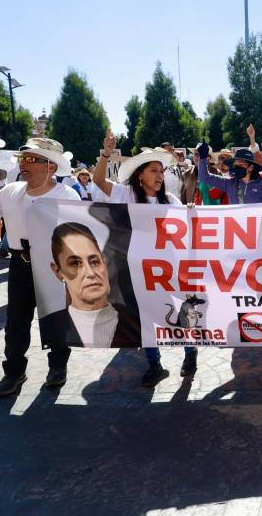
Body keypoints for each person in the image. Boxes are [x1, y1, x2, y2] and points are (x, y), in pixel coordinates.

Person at [0, 138, 81, 397]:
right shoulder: (10, 191)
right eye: (22, 159)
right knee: (16, 322)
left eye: (30, 159)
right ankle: (13, 372)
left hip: (52, 266)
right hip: (20, 264)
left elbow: (77, 236)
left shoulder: (66, 195)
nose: (23, 164)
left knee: (56, 319)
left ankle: (58, 366)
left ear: (50, 166)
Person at [95, 131, 192, 386]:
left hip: (169, 269)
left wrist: (193, 213)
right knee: (145, 318)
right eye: (153, 171)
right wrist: (106, 153)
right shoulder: (126, 195)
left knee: (181, 314)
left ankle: (190, 353)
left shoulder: (170, 200)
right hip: (139, 271)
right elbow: (98, 181)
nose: (160, 176)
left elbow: (187, 230)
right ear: (140, 175)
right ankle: (154, 364)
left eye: (161, 171)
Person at [40, 222, 142, 348]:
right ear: (58, 272)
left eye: (94, 261)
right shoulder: (51, 324)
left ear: (104, 264)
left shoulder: (135, 321)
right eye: (75, 263)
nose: (90, 273)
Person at [196, 145, 262, 205]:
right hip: (235, 224)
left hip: (256, 224)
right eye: (235, 165)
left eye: (241, 165)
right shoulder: (229, 183)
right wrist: (203, 157)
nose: (237, 167)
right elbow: (204, 177)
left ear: (251, 167)